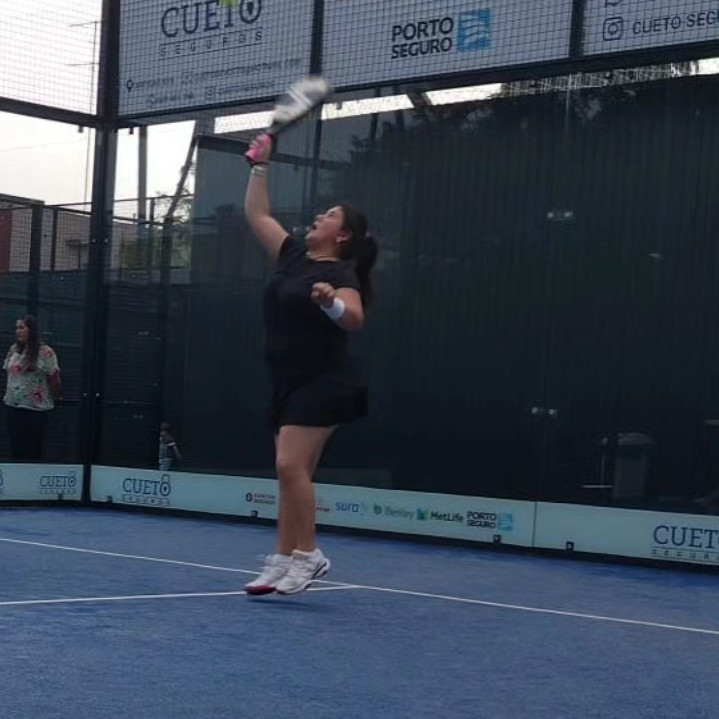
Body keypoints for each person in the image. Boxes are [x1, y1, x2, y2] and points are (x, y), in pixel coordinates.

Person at [242, 134, 378, 596]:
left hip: (326, 382)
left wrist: (329, 303)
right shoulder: (293, 258)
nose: (320, 215)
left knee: (288, 465)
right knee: (290, 473)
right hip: (287, 381)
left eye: (331, 214)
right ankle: (283, 558)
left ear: (343, 236)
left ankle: (309, 555)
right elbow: (258, 215)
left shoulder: (339, 273)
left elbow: (354, 318)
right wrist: (260, 166)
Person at [3, 315, 61, 461]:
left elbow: (54, 377)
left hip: (35, 410)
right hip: (13, 407)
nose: (18, 331)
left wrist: (55, 396)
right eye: (17, 328)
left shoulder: (45, 352)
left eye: (21, 328)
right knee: (15, 448)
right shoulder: (13, 349)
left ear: (31, 330)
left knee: (32, 449)